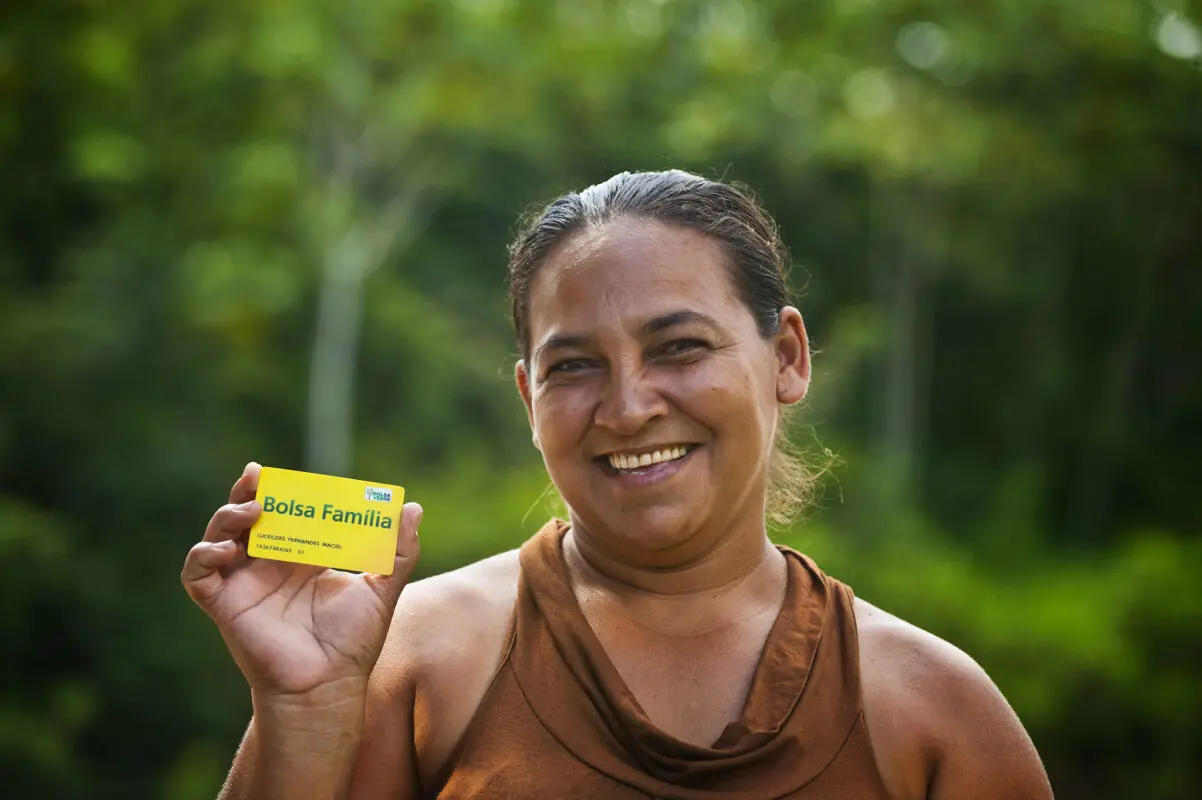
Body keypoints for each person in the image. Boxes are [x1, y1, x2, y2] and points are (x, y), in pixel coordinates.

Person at [182, 170, 1054, 799]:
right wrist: (302, 711)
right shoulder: (413, 662)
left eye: (679, 347)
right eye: (575, 366)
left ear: (786, 357)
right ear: (529, 398)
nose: (629, 407)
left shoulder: (930, 710)